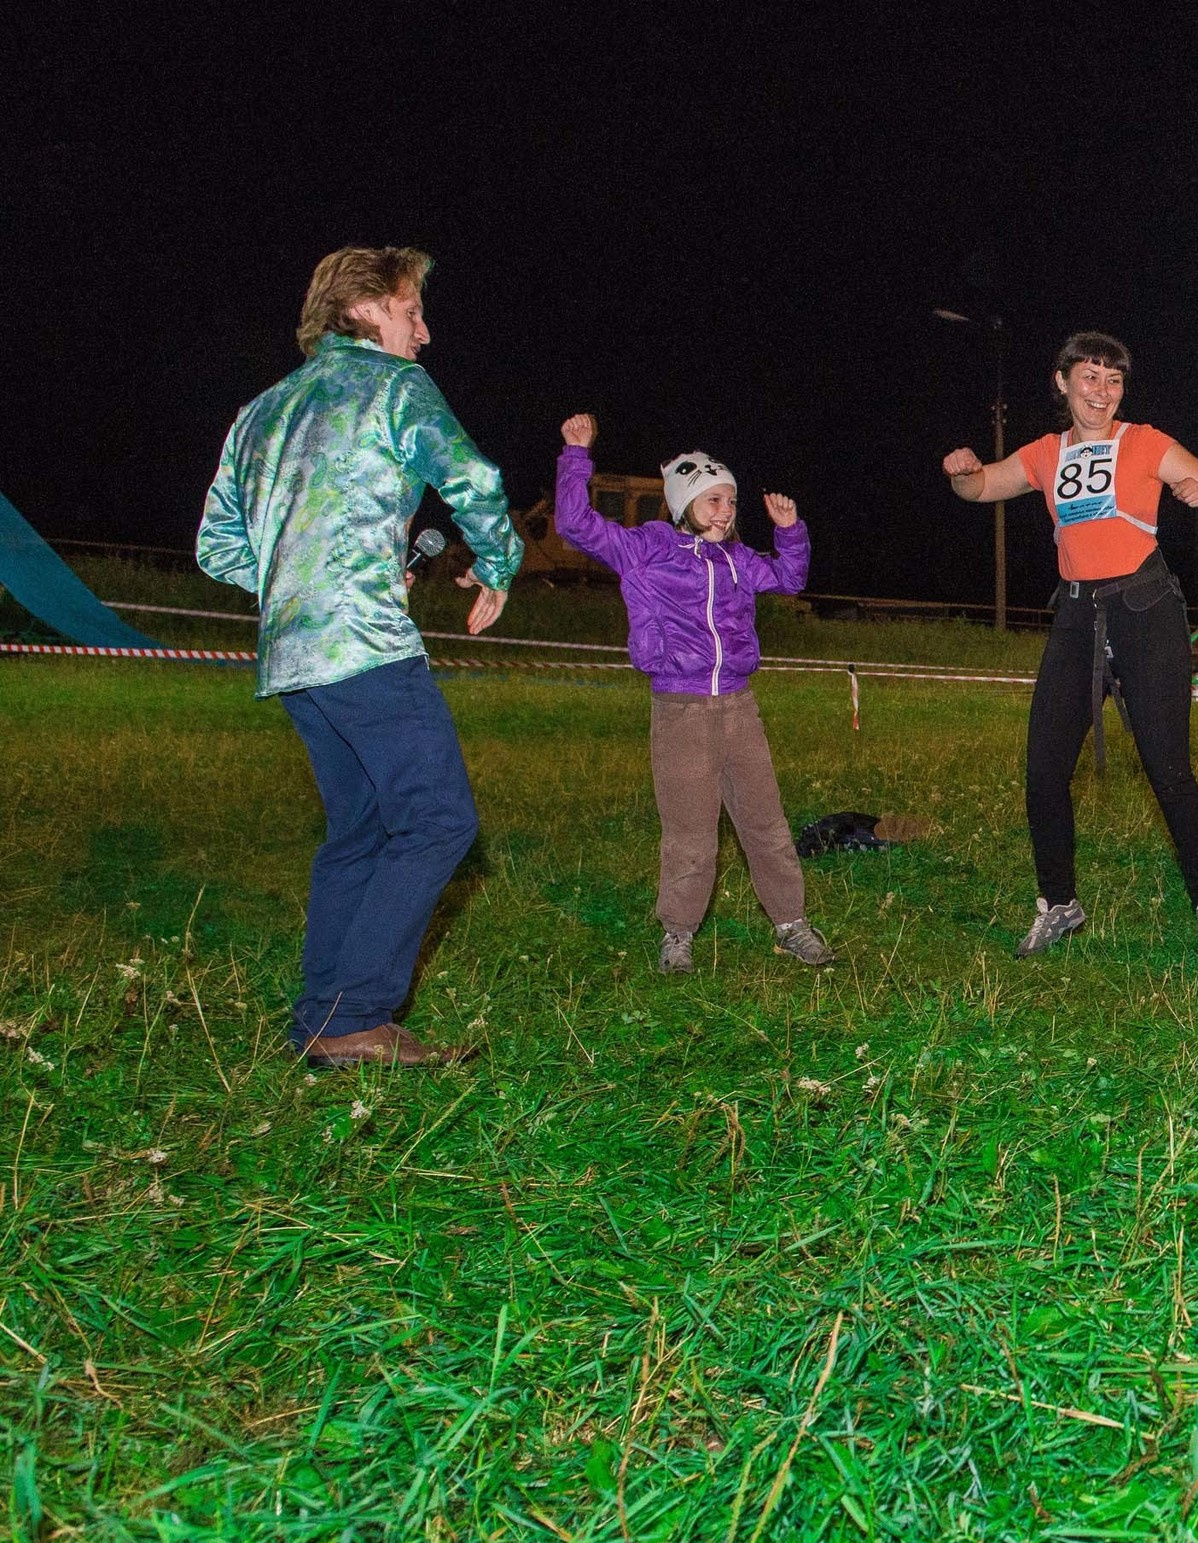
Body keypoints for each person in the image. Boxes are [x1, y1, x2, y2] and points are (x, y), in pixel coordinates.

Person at [197, 246, 520, 1068]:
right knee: (438, 821)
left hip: (294, 655)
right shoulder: (394, 387)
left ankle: (323, 1020)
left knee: (360, 832)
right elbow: (474, 481)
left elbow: (218, 547)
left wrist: (303, 584)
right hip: (365, 645)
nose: (425, 330)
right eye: (414, 312)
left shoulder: (259, 411)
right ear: (370, 307)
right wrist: (499, 561)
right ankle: (358, 1015)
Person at [941, 332, 1198, 958]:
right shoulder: (1044, 454)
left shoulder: (1145, 442)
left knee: (1167, 768)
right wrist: (963, 475)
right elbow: (984, 488)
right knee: (1044, 769)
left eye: (1113, 381)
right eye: (1090, 378)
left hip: (1145, 610)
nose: (1102, 392)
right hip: (1077, 616)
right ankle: (1059, 904)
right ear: (1063, 382)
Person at [554, 416, 835, 974]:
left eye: (729, 499)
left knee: (767, 823)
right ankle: (678, 934)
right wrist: (575, 456)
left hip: (738, 707)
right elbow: (576, 524)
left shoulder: (737, 560)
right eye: (711, 499)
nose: (724, 510)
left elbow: (789, 579)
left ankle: (792, 924)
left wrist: (790, 532)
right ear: (684, 504)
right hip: (680, 710)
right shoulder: (647, 549)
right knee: (690, 833)